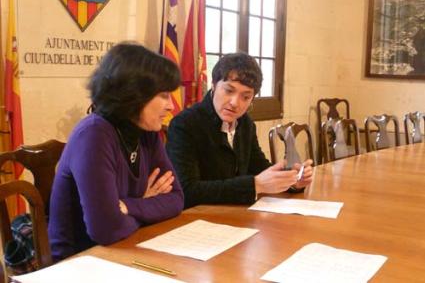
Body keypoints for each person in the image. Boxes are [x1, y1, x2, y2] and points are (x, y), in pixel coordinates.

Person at [48, 42, 184, 261]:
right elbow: (106, 230)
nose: (171, 106)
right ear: (134, 94)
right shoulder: (94, 135)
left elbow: (176, 199)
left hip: (126, 249)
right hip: (79, 262)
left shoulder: (147, 131)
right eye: (164, 95)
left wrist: (128, 205)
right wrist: (146, 204)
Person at [166, 52, 313, 209]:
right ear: (214, 85)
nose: (235, 103)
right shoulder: (184, 124)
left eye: (245, 97)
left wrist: (291, 181)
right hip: (196, 220)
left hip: (237, 215)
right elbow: (187, 191)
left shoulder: (246, 124)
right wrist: (255, 185)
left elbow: (258, 167)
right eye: (229, 91)